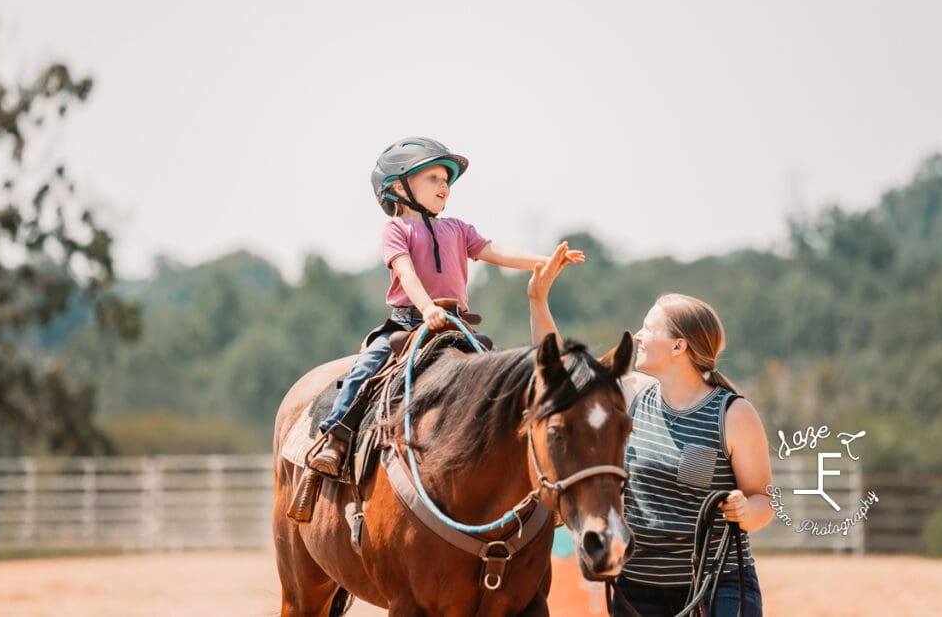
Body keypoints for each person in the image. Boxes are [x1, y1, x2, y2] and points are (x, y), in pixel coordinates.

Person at [308, 137, 585, 477]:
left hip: (458, 326)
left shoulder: (457, 229)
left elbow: (496, 251)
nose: (444, 186)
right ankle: (336, 436)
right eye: (433, 179)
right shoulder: (395, 229)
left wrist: (546, 260)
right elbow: (405, 272)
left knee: (505, 376)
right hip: (408, 323)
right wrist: (426, 309)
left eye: (446, 180)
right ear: (398, 186)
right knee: (365, 369)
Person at [528, 244, 771, 616]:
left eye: (648, 328)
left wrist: (745, 509)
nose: (637, 336)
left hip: (716, 585)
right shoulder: (631, 395)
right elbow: (560, 374)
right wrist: (538, 299)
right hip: (637, 589)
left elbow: (763, 502)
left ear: (678, 345)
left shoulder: (734, 414)